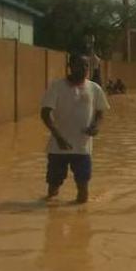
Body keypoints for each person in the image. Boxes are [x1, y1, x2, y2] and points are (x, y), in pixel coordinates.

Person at [40, 53, 109, 204]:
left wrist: (96, 127)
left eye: (86, 66)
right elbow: (45, 114)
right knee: (53, 188)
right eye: (79, 65)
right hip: (58, 148)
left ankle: (81, 219)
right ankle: (52, 219)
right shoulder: (57, 86)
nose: (84, 69)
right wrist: (58, 136)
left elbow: (100, 112)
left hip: (82, 148)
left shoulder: (94, 88)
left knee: (83, 191)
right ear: (70, 67)